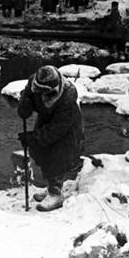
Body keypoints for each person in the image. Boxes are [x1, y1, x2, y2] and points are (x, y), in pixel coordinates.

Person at [17, 65, 83, 212]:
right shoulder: (34, 80)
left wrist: (33, 138)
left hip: (66, 127)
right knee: (41, 152)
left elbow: (56, 130)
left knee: (57, 156)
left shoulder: (68, 96)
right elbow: (28, 95)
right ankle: (51, 188)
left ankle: (56, 194)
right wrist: (25, 104)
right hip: (46, 119)